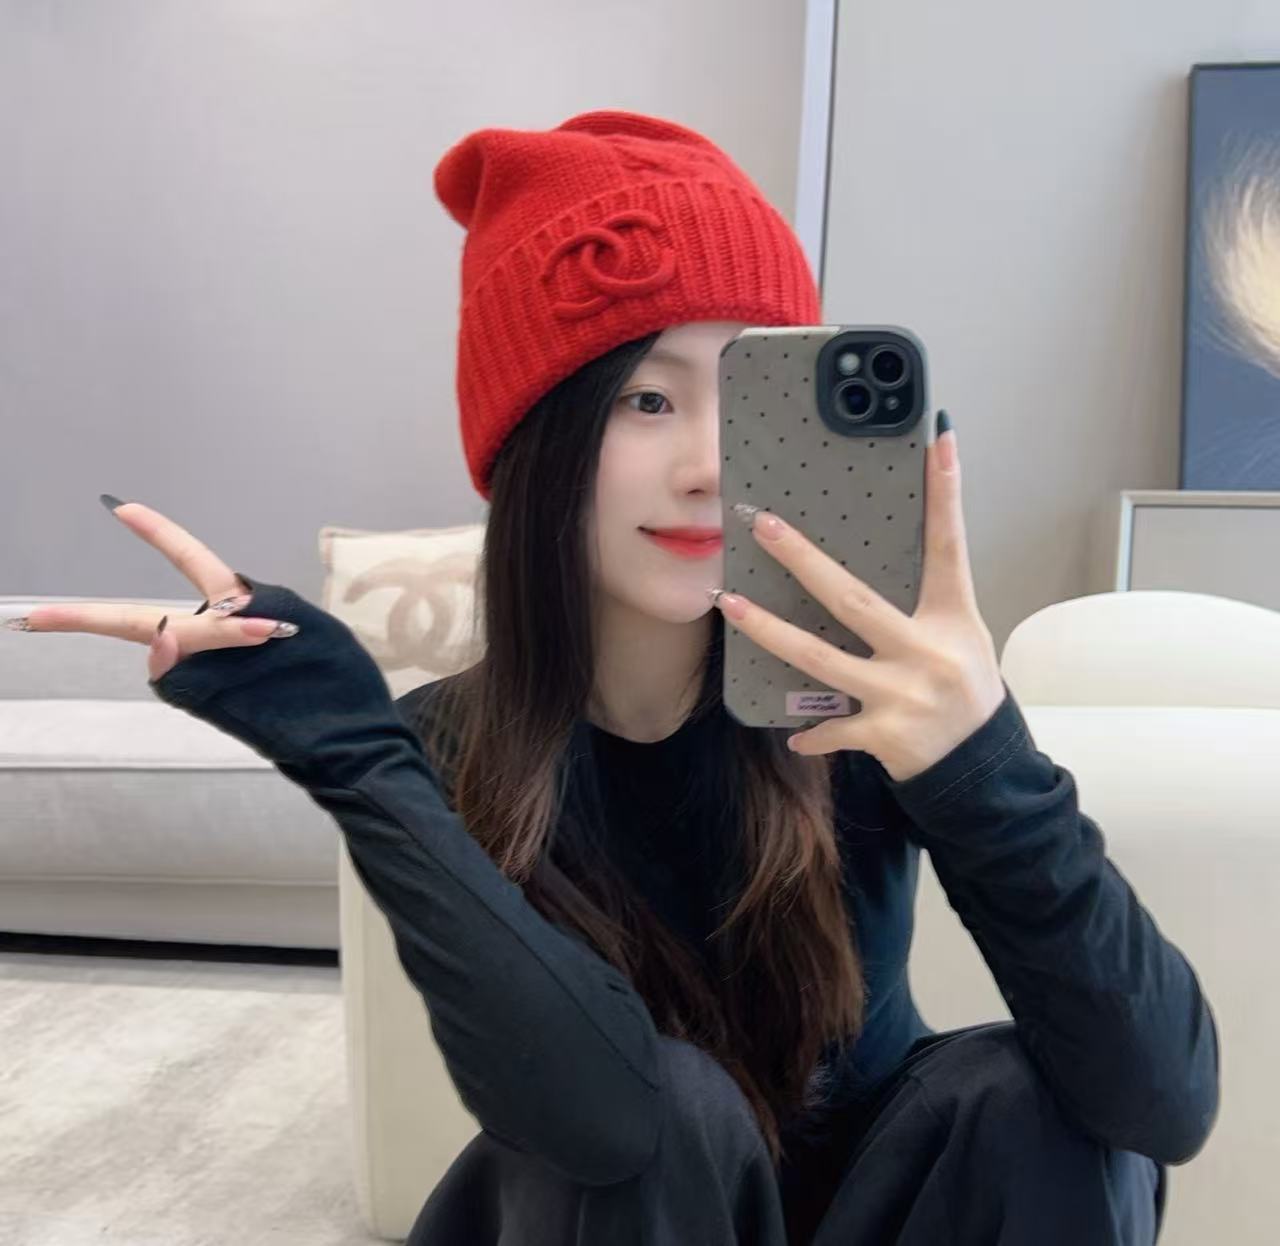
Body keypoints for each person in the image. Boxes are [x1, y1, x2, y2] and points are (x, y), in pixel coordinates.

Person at [17, 108, 1219, 1245]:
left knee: (1030, 1092)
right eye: (646, 398)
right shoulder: (448, 744)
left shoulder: (866, 707)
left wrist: (977, 756)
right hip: (602, 1208)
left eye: (750, 398)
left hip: (878, 1198)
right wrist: (354, 757)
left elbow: (1158, 1104)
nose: (709, 464)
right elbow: (596, 1124)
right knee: (656, 1108)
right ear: (535, 444)